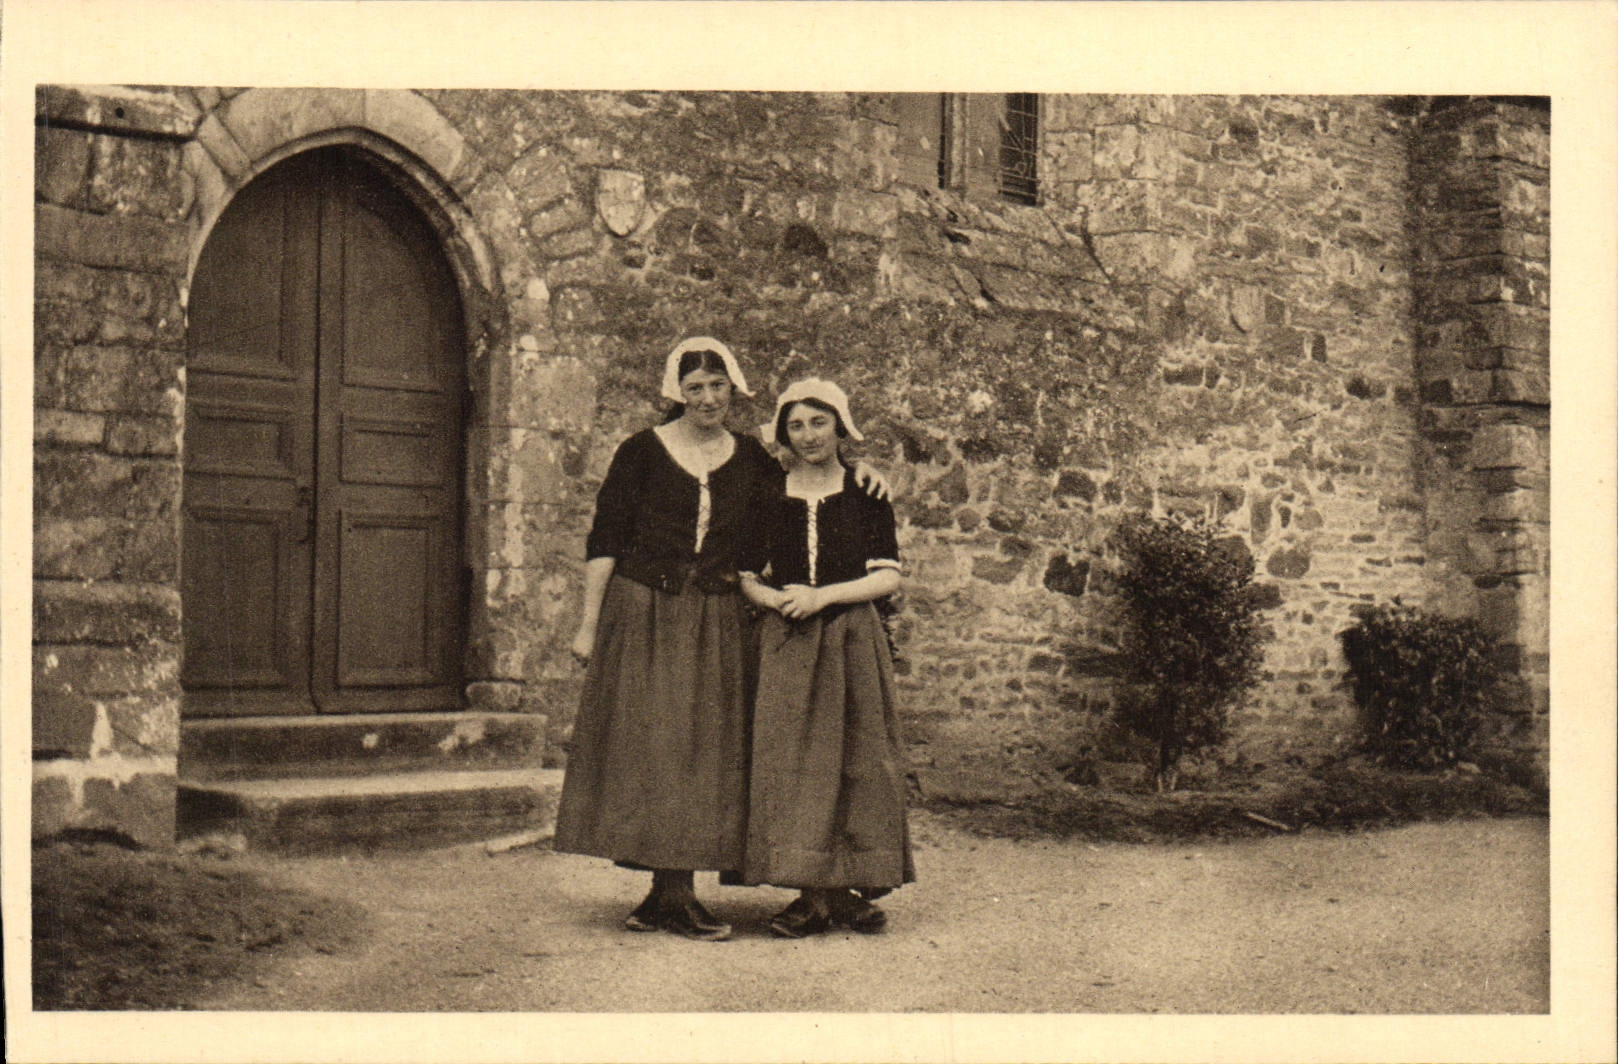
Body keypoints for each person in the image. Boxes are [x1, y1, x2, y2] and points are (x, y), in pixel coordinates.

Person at [554, 340, 886, 942]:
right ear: (677, 392)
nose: (707, 398)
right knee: (658, 749)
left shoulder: (753, 459)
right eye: (695, 387)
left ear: (734, 389)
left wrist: (863, 470)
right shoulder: (641, 453)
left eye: (718, 386)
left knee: (710, 750)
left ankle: (681, 893)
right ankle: (668, 892)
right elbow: (604, 539)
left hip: (718, 619)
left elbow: (809, 473)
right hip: (645, 613)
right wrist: (587, 623)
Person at [739, 378, 915, 938]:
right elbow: (747, 575)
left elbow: (887, 574)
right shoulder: (768, 493)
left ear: (840, 427)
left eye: (819, 422)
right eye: (796, 425)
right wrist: (775, 600)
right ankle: (811, 894)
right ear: (783, 434)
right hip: (790, 642)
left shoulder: (866, 492)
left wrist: (824, 597)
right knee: (798, 765)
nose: (809, 435)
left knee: (859, 762)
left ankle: (844, 890)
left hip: (851, 639)